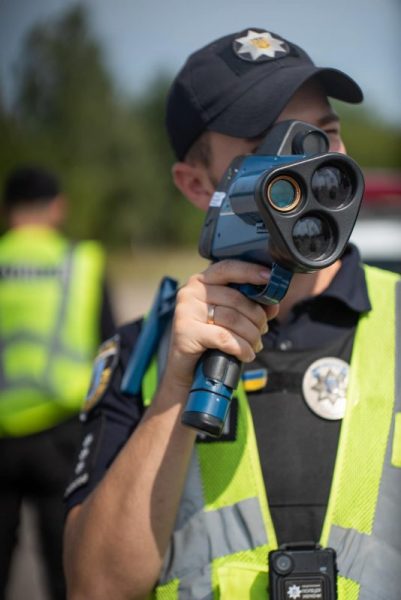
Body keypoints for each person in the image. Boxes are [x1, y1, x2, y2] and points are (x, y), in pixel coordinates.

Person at [63, 28, 401, 600]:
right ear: (198, 185)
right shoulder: (139, 356)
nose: (315, 164)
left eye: (327, 133)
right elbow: (96, 586)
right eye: (273, 144)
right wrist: (175, 389)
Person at [0, 165, 115, 600]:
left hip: (1, 438)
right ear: (58, 207)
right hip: (61, 434)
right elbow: (109, 347)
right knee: (64, 569)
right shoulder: (81, 263)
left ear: (8, 210)